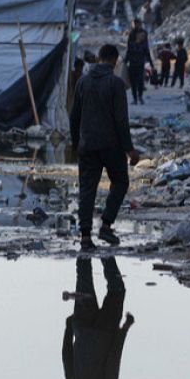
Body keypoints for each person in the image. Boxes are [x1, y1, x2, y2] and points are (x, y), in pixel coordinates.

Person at [70, 44, 141, 249]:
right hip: (112, 146)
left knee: (87, 189)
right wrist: (129, 149)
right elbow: (121, 120)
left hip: (88, 145)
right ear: (114, 61)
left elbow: (74, 117)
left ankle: (85, 236)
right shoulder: (116, 84)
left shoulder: (82, 82)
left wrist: (76, 144)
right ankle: (106, 225)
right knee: (120, 182)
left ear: (99, 58)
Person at [64, 256, 133, 379]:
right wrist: (69, 328)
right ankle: (85, 243)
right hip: (82, 327)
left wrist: (125, 327)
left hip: (105, 329)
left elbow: (113, 358)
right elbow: (66, 356)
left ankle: (107, 255)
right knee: (83, 281)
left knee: (117, 290)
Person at [124, 27, 152, 105]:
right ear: (137, 35)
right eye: (142, 35)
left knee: (140, 82)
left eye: (144, 36)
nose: (143, 37)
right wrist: (124, 63)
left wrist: (152, 65)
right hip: (132, 66)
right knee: (133, 83)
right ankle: (135, 99)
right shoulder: (131, 44)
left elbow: (148, 55)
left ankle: (140, 97)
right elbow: (128, 54)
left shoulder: (144, 46)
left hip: (140, 66)